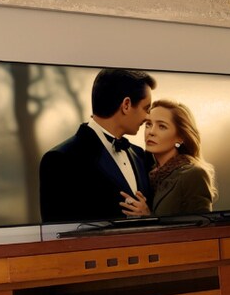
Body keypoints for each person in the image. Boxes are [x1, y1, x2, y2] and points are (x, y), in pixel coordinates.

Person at [39, 68, 156, 223]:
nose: (148, 117)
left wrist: (148, 216)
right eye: (146, 108)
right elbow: (58, 230)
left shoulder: (140, 155)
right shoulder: (59, 160)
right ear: (126, 105)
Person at [122, 99, 217, 217]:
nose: (151, 132)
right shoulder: (145, 171)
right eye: (148, 124)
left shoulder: (194, 174)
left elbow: (201, 225)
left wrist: (148, 216)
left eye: (162, 126)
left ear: (180, 137)